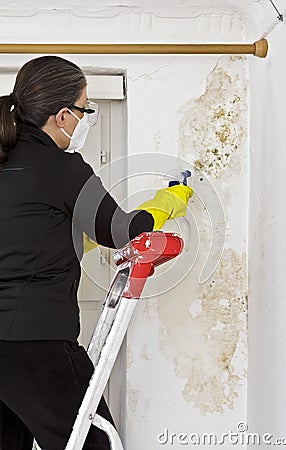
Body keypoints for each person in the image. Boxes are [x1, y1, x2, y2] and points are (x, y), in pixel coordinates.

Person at [0, 55, 193, 450]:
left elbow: (27, 234)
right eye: (86, 109)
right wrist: (169, 201)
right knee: (94, 444)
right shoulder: (61, 168)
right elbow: (121, 230)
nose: (87, 119)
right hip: (34, 343)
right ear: (63, 116)